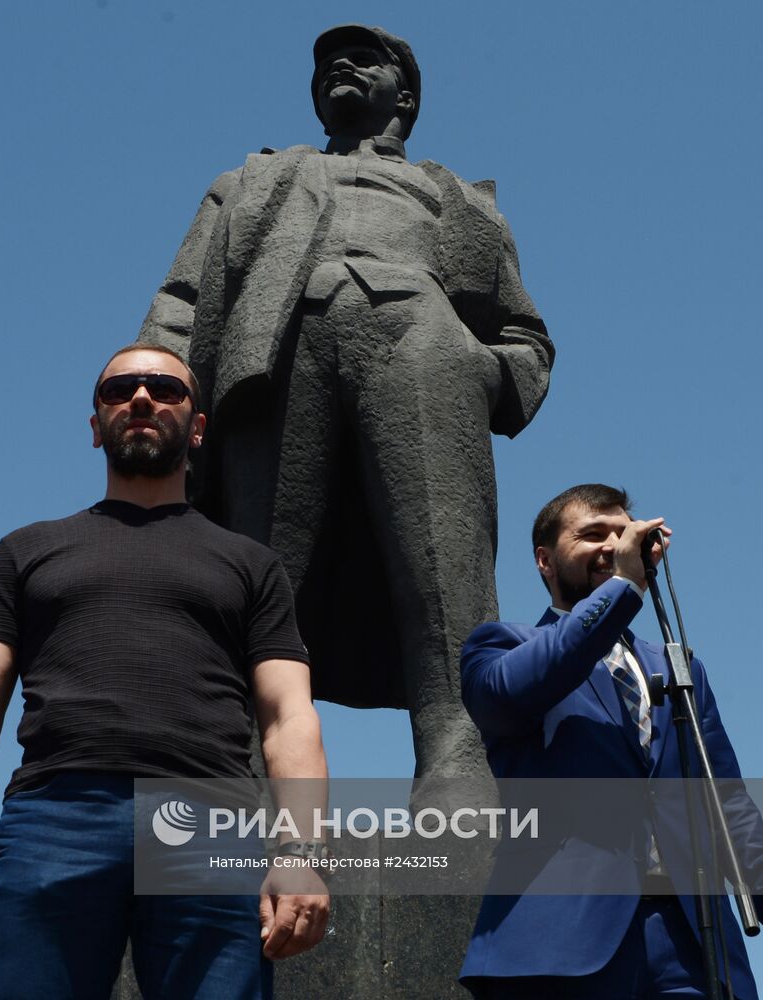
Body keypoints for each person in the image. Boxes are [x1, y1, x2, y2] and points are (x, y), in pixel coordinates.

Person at [137, 24, 555, 784]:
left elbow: (525, 335)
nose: (340, 66)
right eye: (328, 62)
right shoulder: (251, 181)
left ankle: (457, 765)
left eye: (364, 59)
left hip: (423, 346)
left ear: (408, 94)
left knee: (441, 560)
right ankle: (238, 763)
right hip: (274, 356)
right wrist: (157, 387)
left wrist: (478, 370)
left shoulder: (460, 201)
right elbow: (183, 299)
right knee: (261, 563)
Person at [0, 345, 329, 999]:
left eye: (164, 388)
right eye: (119, 389)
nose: (140, 398)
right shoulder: (27, 551)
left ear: (195, 426)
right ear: (94, 423)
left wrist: (300, 855)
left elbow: (287, 715)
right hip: (57, 816)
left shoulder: (252, 565)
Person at [459, 483, 763, 998]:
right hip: (560, 947)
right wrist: (624, 587)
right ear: (544, 560)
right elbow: (523, 686)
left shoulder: (678, 669)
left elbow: (727, 804)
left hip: (691, 944)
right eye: (592, 535)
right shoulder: (502, 646)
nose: (614, 544)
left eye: (622, 531)